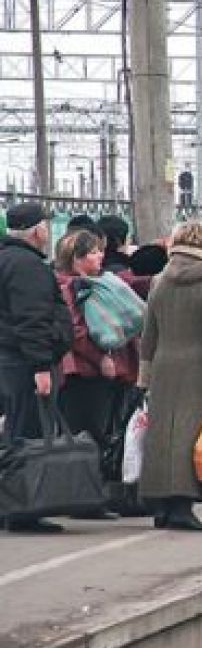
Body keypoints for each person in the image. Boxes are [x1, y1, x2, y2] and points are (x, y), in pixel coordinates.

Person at [137, 221, 202, 532]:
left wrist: (145, 375)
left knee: (163, 435)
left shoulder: (160, 279)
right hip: (198, 365)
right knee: (192, 436)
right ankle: (183, 506)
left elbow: (148, 332)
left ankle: (162, 506)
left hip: (164, 363)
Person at [0, 203, 74, 533]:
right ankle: (22, 510)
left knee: (13, 434)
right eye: (45, 225)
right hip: (23, 365)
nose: (47, 231)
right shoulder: (27, 266)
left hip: (10, 361)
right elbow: (32, 320)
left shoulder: (6, 259)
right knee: (25, 436)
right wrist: (41, 367)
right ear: (36, 230)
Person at [54, 230, 139, 502]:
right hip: (83, 370)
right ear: (76, 259)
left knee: (96, 430)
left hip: (99, 368)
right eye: (93, 252)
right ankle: (84, 496)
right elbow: (76, 331)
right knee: (86, 432)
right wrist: (99, 357)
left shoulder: (98, 282)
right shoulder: (71, 288)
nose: (100, 256)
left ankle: (90, 493)